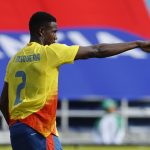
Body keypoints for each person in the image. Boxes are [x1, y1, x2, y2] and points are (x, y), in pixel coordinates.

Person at [0, 11, 150, 150]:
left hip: (19, 130)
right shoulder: (50, 52)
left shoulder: (14, 60)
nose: (56, 37)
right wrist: (136, 44)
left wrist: (15, 126)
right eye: (53, 32)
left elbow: (3, 101)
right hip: (39, 129)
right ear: (41, 31)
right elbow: (97, 50)